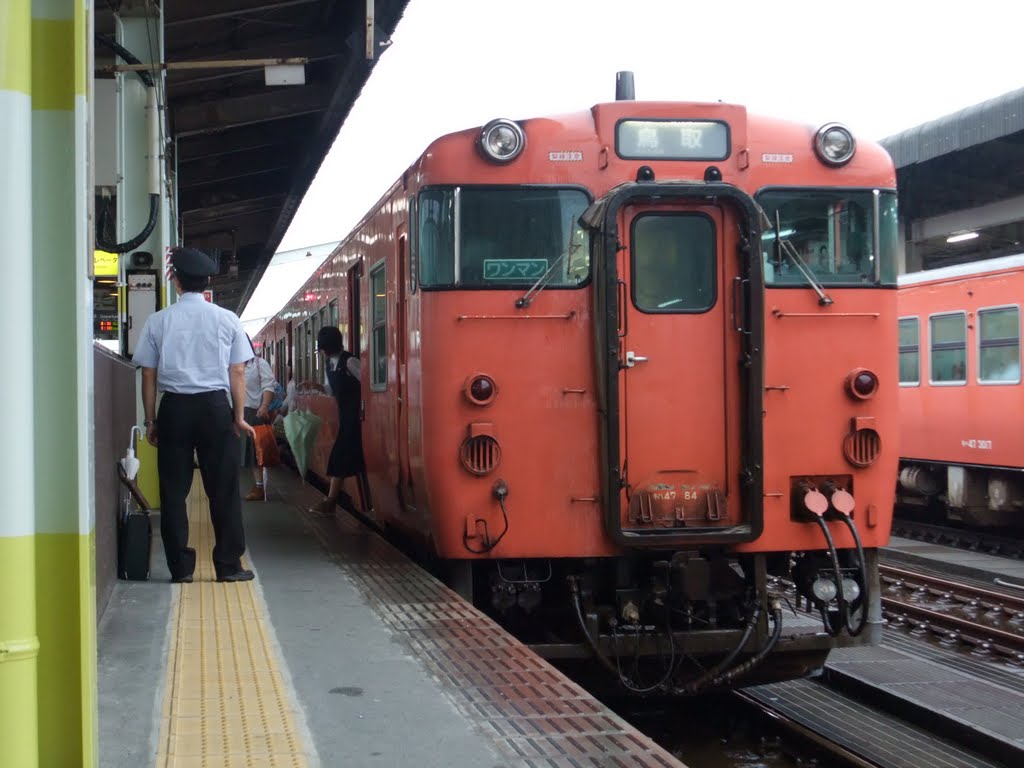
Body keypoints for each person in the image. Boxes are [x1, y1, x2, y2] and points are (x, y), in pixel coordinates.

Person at [132, 246, 257, 583]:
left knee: (173, 492)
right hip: (216, 408)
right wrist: (239, 416)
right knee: (224, 489)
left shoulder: (159, 321)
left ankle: (180, 569)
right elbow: (238, 373)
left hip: (174, 408)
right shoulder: (227, 320)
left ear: (176, 282)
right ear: (206, 283)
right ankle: (228, 566)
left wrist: (151, 420)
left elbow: (147, 373)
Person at [303, 326, 364, 516]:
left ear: (327, 348)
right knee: (344, 458)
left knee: (340, 457)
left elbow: (367, 383)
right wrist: (314, 386)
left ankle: (330, 501)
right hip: (346, 417)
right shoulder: (331, 366)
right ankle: (331, 501)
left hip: (357, 418)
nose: (321, 352)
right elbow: (330, 391)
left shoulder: (350, 362)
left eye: (321, 348)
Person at [240, 335, 278, 502]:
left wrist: (264, 406)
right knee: (245, 453)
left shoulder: (258, 364)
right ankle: (255, 486)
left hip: (253, 412)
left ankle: (259, 487)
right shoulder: (230, 365)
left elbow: (269, 385)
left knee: (255, 453)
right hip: (236, 412)